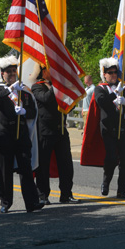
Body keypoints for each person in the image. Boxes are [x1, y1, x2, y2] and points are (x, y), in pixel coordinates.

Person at [0, 54, 43, 214]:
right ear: (2, 74)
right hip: (3, 137)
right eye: (8, 71)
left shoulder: (24, 91)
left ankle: (31, 202)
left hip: (21, 137)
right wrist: (11, 90)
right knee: (5, 172)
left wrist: (25, 111)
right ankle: (5, 202)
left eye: (14, 70)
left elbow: (33, 111)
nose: (12, 73)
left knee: (26, 170)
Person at [80, 58, 125, 199]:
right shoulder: (100, 89)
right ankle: (106, 183)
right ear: (104, 74)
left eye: (115, 72)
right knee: (111, 158)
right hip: (107, 129)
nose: (113, 75)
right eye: (109, 72)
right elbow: (102, 102)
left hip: (122, 128)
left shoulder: (123, 88)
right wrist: (114, 95)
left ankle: (122, 190)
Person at [30, 64, 80, 205]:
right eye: (51, 69)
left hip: (61, 130)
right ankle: (43, 195)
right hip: (45, 131)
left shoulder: (58, 87)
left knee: (66, 165)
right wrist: (57, 87)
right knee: (43, 166)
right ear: (43, 71)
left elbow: (70, 106)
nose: (55, 72)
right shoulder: (37, 87)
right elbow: (45, 99)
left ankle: (66, 194)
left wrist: (70, 97)